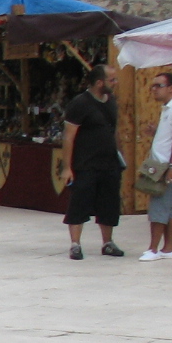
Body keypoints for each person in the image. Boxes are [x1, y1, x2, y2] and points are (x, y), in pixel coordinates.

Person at [61, 64, 126, 261]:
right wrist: (67, 167)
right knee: (79, 204)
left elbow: (114, 130)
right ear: (100, 82)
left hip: (109, 163)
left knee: (109, 204)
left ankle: (108, 243)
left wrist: (120, 154)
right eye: (112, 80)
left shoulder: (111, 101)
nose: (115, 83)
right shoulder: (80, 103)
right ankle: (75, 244)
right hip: (86, 164)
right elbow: (68, 137)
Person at [142, 69, 172, 260]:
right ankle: (168, 248)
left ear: (171, 88)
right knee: (168, 208)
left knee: (158, 206)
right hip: (159, 164)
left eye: (158, 86)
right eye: (153, 85)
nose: (154, 89)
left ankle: (153, 249)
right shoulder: (169, 107)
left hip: (166, 167)